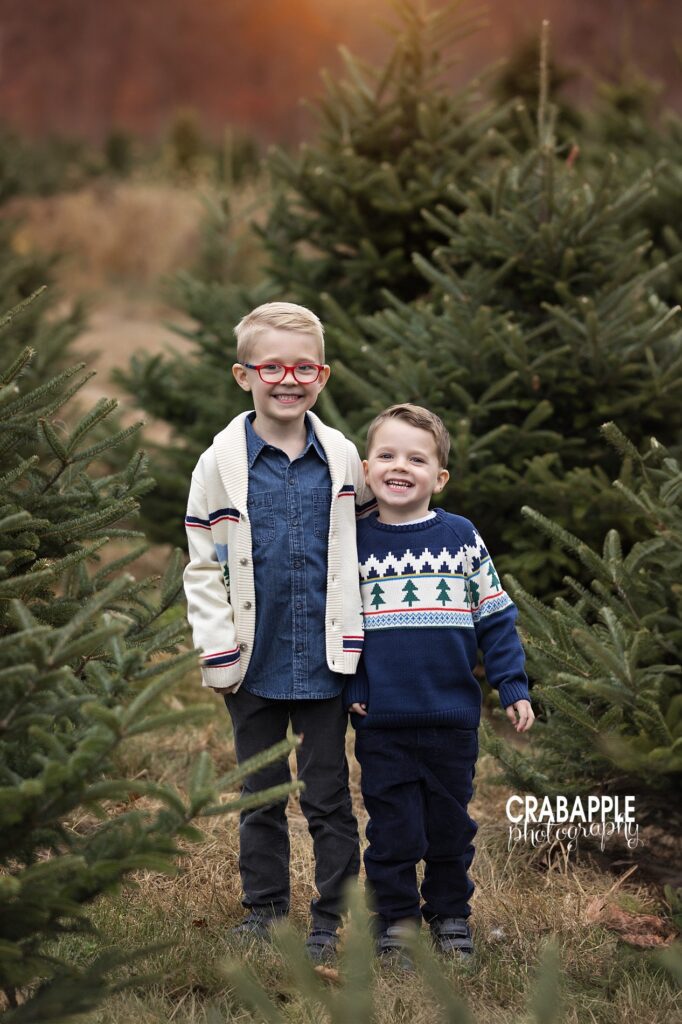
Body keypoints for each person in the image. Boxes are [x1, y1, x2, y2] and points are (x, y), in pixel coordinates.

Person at [183, 301, 375, 962]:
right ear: (244, 375)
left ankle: (334, 913)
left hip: (324, 661)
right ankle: (264, 911)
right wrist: (218, 652)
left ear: (322, 375)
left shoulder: (343, 458)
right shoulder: (220, 465)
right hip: (254, 661)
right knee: (260, 793)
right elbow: (202, 567)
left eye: (303, 367)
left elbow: (364, 551)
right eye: (272, 367)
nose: (287, 380)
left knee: (327, 794)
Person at [344, 403, 534, 960]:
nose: (400, 467)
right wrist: (354, 686)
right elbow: (341, 624)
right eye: (387, 455)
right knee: (392, 832)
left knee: (451, 830)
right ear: (366, 466)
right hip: (382, 721)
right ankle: (396, 923)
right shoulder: (353, 542)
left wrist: (513, 685)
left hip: (452, 720)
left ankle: (451, 916)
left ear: (439, 476)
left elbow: (496, 618)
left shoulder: (461, 537)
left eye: (416, 458)